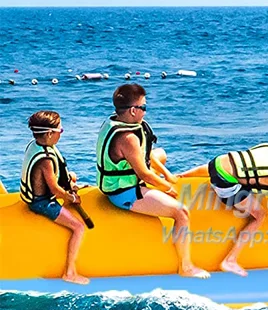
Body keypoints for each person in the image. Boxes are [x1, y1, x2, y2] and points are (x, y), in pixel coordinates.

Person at [96, 83, 208, 278]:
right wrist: (168, 187)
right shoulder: (127, 138)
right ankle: (186, 266)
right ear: (132, 110)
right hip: (124, 191)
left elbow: (147, 154)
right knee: (181, 212)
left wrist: (167, 173)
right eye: (143, 107)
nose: (145, 113)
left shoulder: (115, 121)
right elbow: (144, 174)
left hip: (127, 175)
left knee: (161, 154)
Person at [181, 142, 268, 276]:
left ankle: (180, 176)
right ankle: (230, 260)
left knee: (233, 167)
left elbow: (239, 166)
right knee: (260, 215)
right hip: (225, 184)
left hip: (215, 164)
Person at [20, 110, 89, 284]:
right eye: (60, 130)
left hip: (38, 192)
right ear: (50, 134)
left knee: (71, 175)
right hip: (41, 202)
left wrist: (71, 184)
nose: (61, 133)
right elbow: (55, 190)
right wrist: (72, 199)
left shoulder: (35, 144)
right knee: (78, 227)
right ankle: (70, 272)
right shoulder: (46, 160)